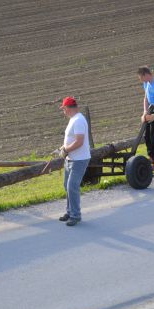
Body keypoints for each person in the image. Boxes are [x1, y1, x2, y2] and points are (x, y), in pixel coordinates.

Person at [57, 97, 91, 226]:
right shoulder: (73, 119)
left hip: (79, 159)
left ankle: (76, 215)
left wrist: (65, 149)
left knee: (72, 187)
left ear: (68, 108)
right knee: (67, 185)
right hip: (70, 158)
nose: (63, 112)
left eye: (63, 109)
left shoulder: (79, 120)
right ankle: (70, 211)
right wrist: (63, 148)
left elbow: (79, 142)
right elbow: (71, 139)